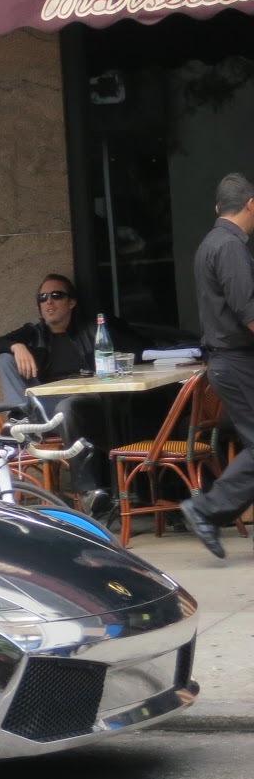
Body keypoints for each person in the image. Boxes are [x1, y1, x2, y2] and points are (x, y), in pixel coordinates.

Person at [0, 274, 131, 502]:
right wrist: (17, 345)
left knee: (67, 406)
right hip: (47, 405)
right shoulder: (34, 333)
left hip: (86, 403)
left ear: (71, 302)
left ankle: (87, 491)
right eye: (43, 298)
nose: (49, 302)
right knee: (4, 357)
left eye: (56, 295)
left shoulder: (92, 331)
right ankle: (23, 418)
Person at [180, 173, 254, 559]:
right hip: (237, 361)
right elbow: (249, 311)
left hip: (230, 362)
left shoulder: (213, 242)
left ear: (216, 208)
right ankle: (205, 508)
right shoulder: (230, 248)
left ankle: (207, 510)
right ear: (251, 204)